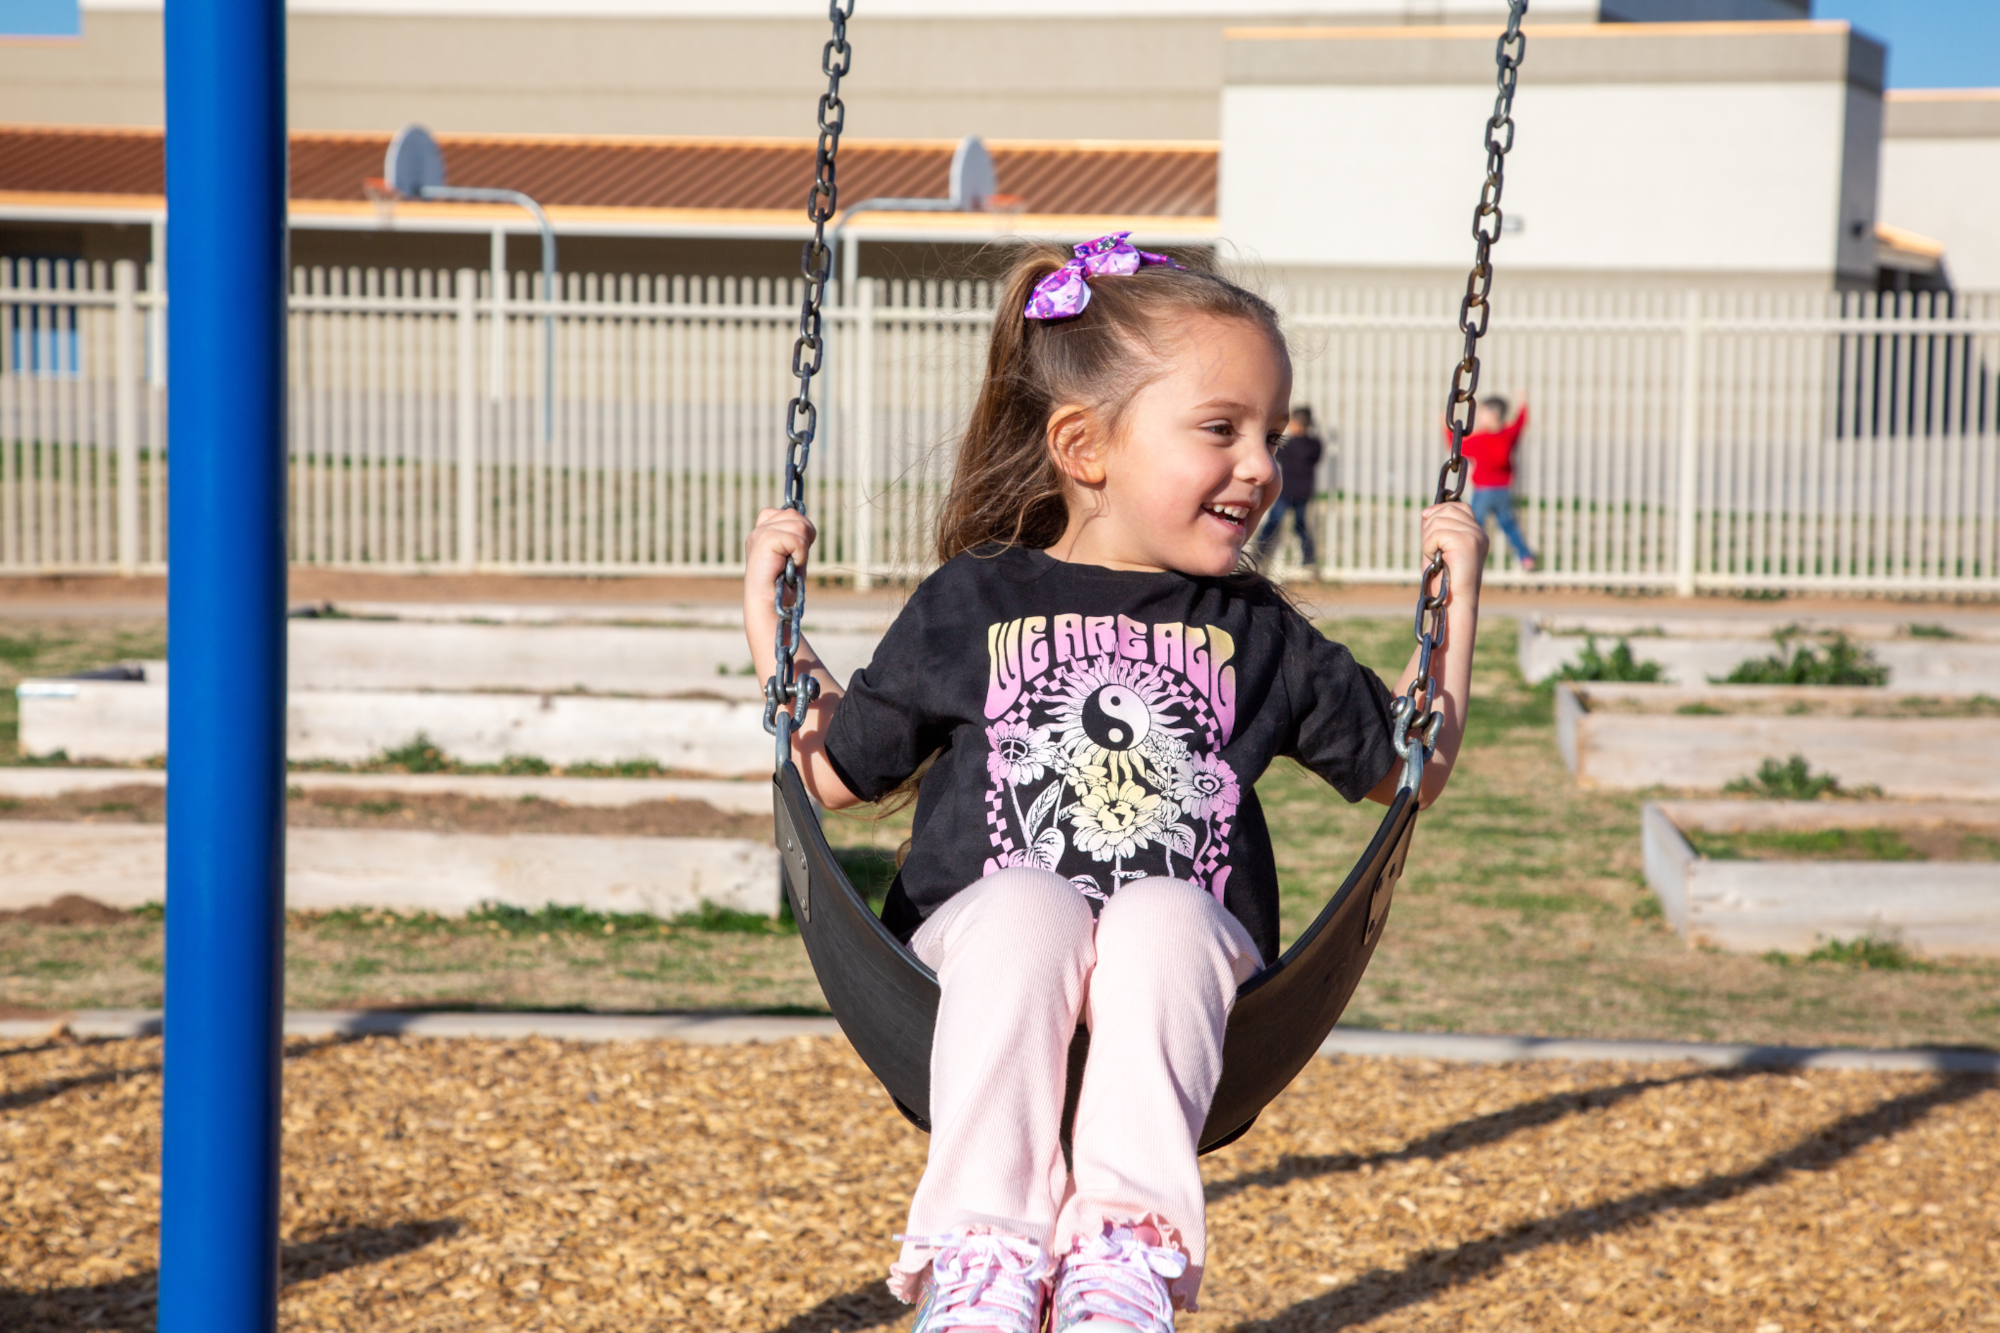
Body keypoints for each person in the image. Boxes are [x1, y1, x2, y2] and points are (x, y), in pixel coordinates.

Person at [743, 233, 1486, 1333]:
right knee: (1029, 906)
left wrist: (1453, 600)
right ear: (1085, 447)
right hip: (976, 961)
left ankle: (1122, 1263)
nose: (1260, 465)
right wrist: (771, 627)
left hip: (1184, 967)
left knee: (1159, 915)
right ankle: (983, 1251)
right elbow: (835, 772)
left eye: (1269, 436)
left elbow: (1401, 767)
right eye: (1221, 429)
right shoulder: (970, 600)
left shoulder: (1257, 630)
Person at [1452, 395, 1537, 571]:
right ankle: (1525, 556)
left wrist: (1446, 428)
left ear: (1494, 415)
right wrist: (1522, 402)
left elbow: (1457, 448)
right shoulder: (1508, 435)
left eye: (1483, 413)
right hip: (1504, 490)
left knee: (1475, 526)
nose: (1480, 417)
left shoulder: (1480, 439)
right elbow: (1520, 422)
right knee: (1509, 525)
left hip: (1483, 490)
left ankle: (1469, 559)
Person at [1254, 405, 1323, 571]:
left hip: (1286, 491)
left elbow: (1275, 455)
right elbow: (1317, 458)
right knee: (1301, 526)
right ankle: (1309, 560)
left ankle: (1258, 555)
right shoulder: (1315, 444)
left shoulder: (1288, 445)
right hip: (1304, 492)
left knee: (1272, 523)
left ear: (1296, 424)